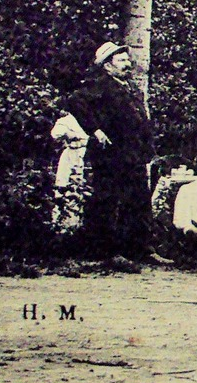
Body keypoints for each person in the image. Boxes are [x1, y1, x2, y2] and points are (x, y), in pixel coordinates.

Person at [60, 41, 158, 266]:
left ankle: (140, 249)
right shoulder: (100, 85)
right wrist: (94, 129)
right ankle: (106, 252)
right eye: (121, 60)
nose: (127, 64)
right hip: (111, 154)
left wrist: (146, 147)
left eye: (127, 60)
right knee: (109, 200)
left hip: (133, 154)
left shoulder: (130, 87)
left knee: (139, 201)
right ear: (106, 65)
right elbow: (75, 101)